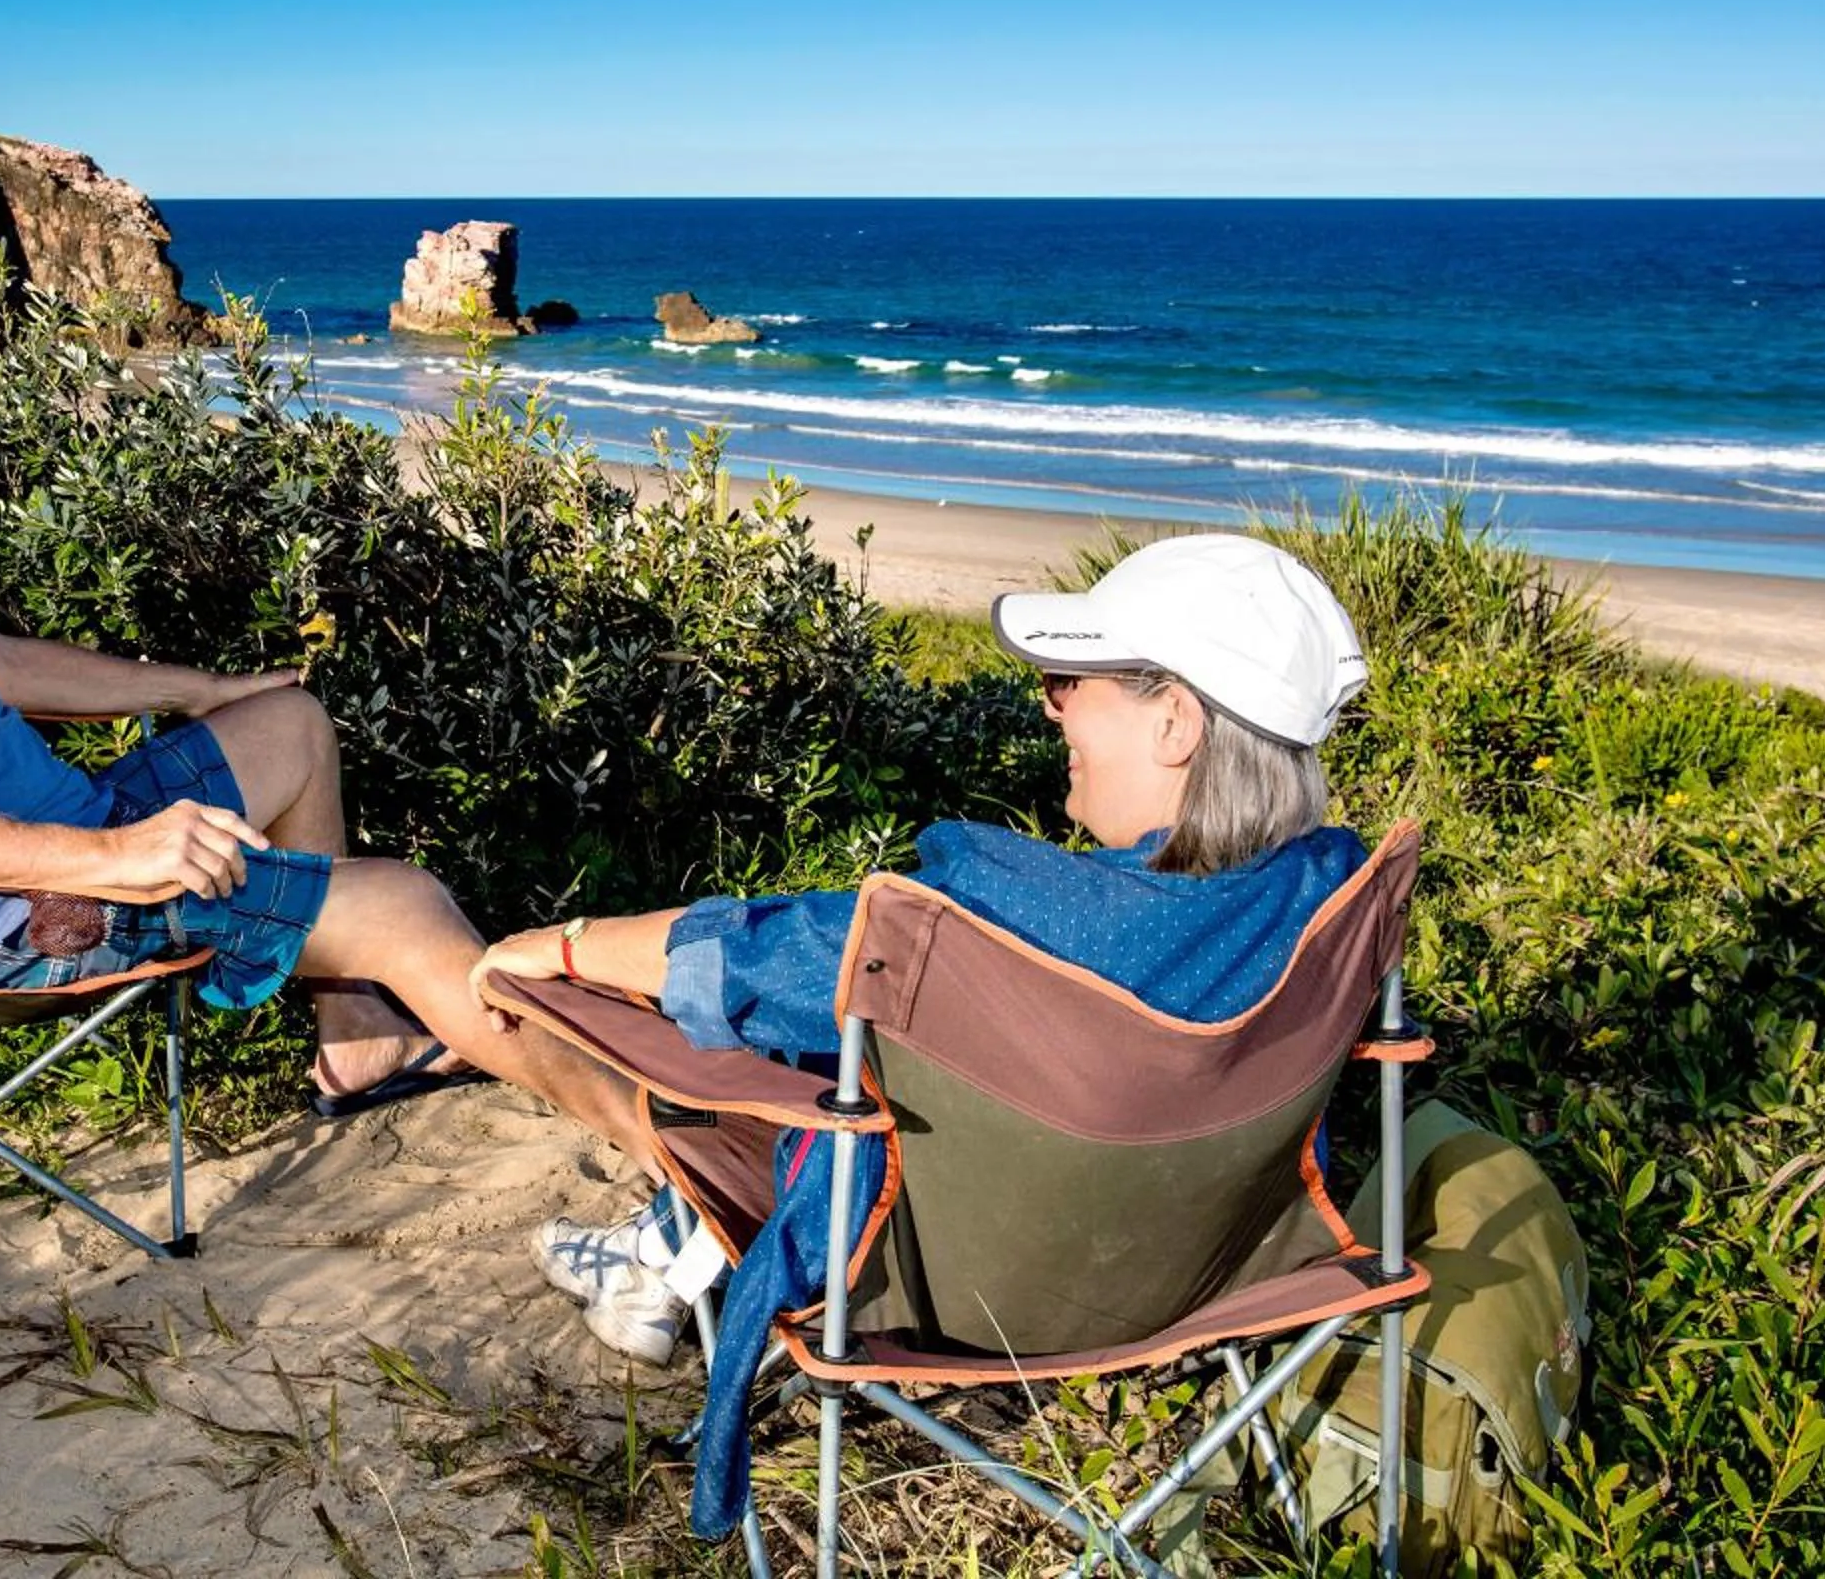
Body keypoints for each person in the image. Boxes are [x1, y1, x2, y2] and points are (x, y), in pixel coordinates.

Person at [0, 275, 646, 1152]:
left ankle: (357, 1037)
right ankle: (667, 1147)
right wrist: (118, 860)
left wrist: (200, 691)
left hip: (50, 844)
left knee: (290, 726)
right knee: (404, 905)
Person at [471, 531, 1373, 1366]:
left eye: (1070, 680)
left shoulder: (1018, 914)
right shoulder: (1332, 895)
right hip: (1211, 1274)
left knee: (805, 1053)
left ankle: (660, 1256)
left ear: (1174, 723)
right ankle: (660, 1247)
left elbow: (768, 959)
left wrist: (567, 944)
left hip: (955, 1299)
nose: (1051, 706)